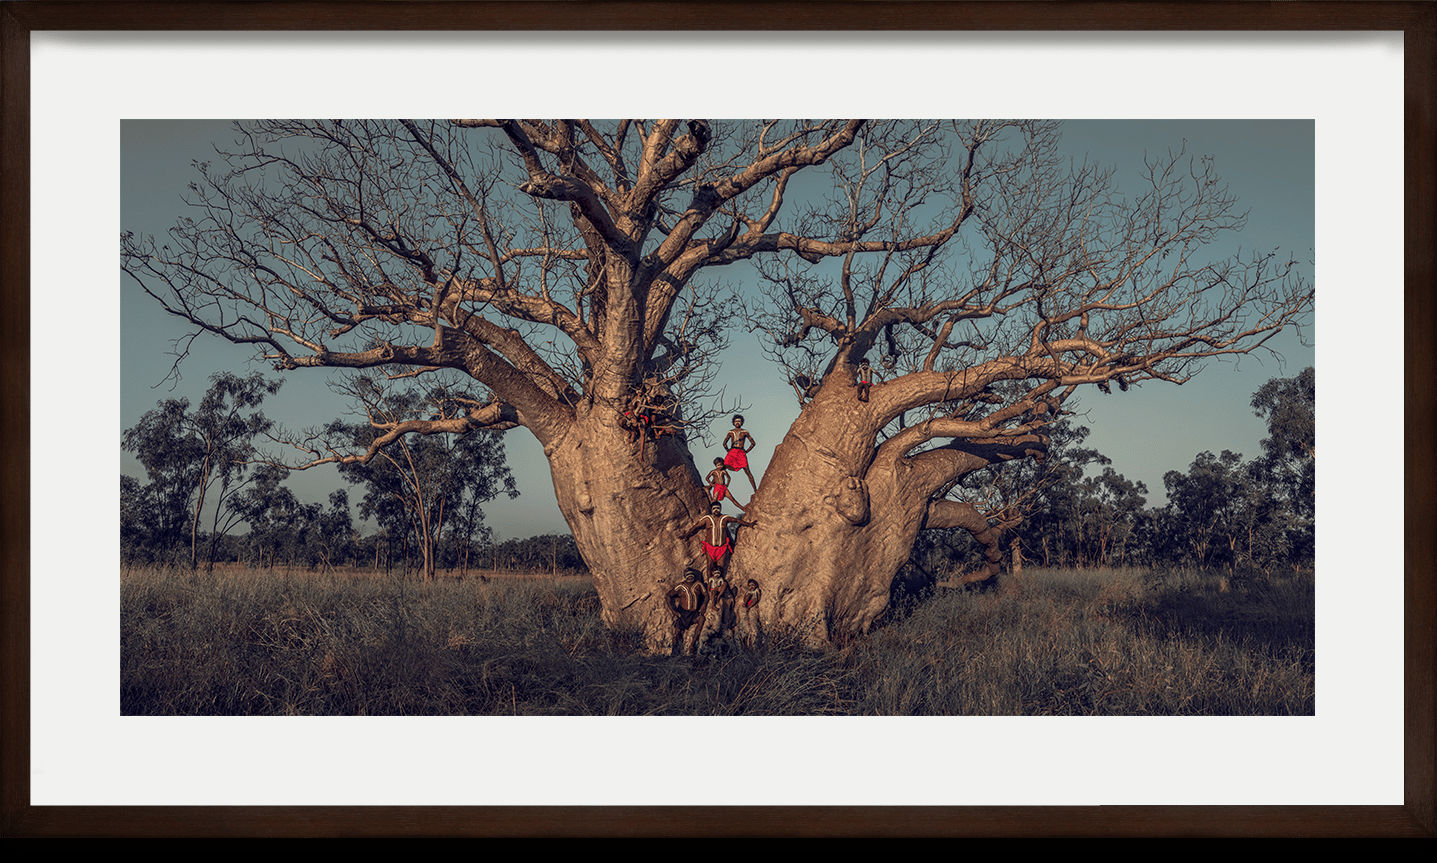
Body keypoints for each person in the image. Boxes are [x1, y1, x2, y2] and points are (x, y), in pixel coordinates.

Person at [681, 502, 757, 578]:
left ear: (720, 509)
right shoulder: (707, 519)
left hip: (722, 548)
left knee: (721, 568)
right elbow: (696, 526)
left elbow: (736, 520)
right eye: (714, 508)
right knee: (709, 567)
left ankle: (719, 586)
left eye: (718, 508)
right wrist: (687, 535)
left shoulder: (725, 518)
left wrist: (749, 524)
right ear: (711, 509)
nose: (716, 510)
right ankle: (710, 586)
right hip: (710, 547)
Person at [666, 568, 708, 656]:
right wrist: (673, 611)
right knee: (677, 630)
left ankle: (692, 645)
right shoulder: (680, 586)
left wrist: (704, 604)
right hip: (683, 613)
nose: (690, 577)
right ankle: (675, 651)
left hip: (694, 613)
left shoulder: (698, 584)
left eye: (691, 575)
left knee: (701, 619)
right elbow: (668, 595)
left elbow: (706, 595)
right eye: (688, 575)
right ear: (685, 577)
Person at [722, 414, 757, 492]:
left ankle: (755, 490)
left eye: (739, 421)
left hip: (741, 452)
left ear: (741, 422)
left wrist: (746, 451)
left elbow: (753, 443)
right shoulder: (730, 432)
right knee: (722, 467)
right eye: (736, 421)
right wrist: (729, 451)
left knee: (747, 471)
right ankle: (717, 484)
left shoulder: (745, 432)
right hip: (733, 451)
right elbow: (724, 443)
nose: (737, 423)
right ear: (733, 422)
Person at [738, 578, 763, 649]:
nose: (751, 586)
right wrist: (746, 600)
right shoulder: (748, 591)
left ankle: (754, 645)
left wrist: (750, 605)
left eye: (753, 585)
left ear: (756, 585)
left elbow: (756, 599)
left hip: (752, 605)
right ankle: (746, 642)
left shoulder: (756, 591)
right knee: (745, 625)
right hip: (746, 605)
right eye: (750, 585)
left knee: (753, 625)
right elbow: (745, 598)